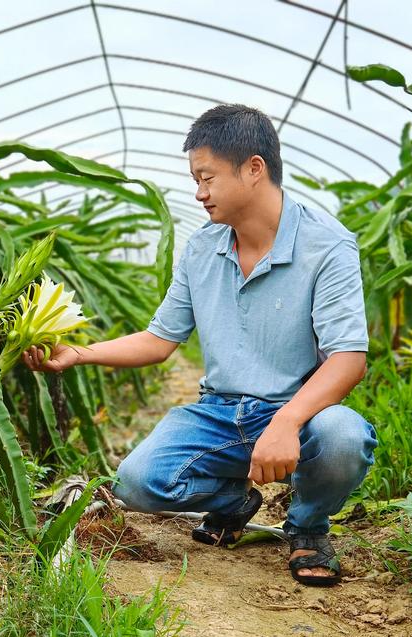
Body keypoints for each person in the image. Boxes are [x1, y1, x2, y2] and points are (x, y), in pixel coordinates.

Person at [22, 103, 377, 587]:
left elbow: (349, 359)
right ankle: (233, 501)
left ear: (254, 169)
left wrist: (288, 421)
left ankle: (309, 526)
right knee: (135, 482)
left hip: (300, 413)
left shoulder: (327, 245)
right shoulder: (201, 248)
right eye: (196, 179)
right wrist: (78, 354)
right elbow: (159, 340)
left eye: (207, 178)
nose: (199, 193)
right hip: (219, 415)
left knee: (344, 437)